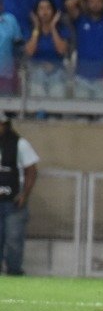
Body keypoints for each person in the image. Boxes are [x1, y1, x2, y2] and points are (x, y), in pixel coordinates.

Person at [0, 113, 39, 275]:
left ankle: (14, 271)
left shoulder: (20, 144)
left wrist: (24, 194)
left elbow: (31, 170)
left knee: (14, 239)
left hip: (13, 202)